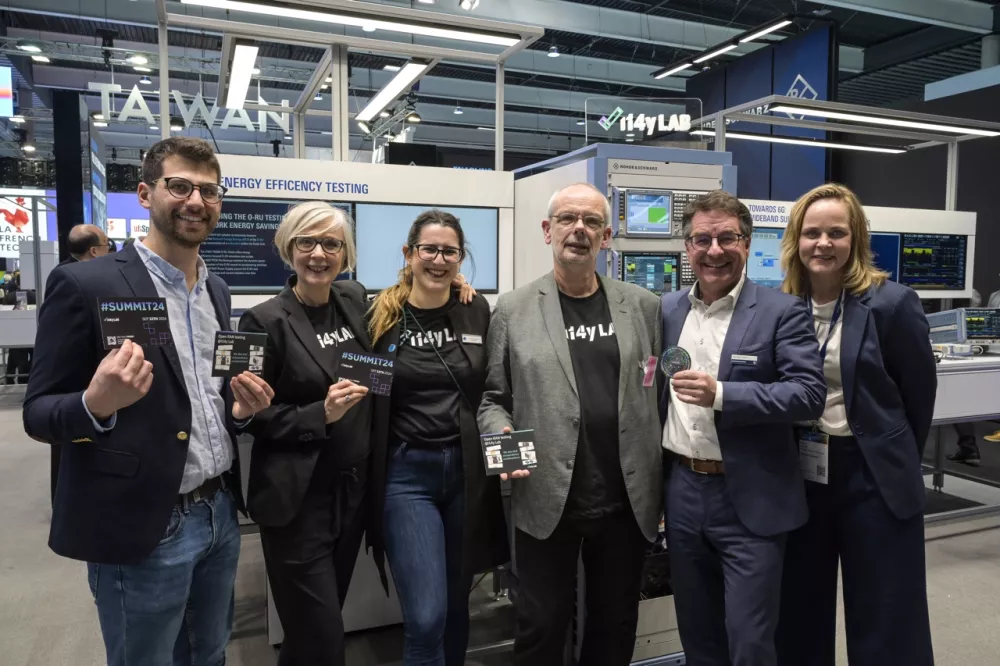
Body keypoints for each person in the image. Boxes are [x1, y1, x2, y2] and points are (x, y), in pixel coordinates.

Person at [23, 136, 275, 666]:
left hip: (218, 513)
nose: (195, 201)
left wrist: (240, 411)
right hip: (143, 524)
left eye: (209, 191)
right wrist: (97, 404)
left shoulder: (217, 290)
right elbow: (38, 413)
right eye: (179, 186)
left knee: (209, 654)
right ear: (145, 193)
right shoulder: (84, 284)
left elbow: (203, 400)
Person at [478, 182, 663, 666]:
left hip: (625, 499)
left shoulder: (643, 306)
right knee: (541, 625)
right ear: (547, 230)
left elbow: (658, 395)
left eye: (592, 221)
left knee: (615, 624)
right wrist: (501, 440)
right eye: (567, 219)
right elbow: (494, 400)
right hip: (546, 497)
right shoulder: (514, 309)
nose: (579, 229)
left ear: (606, 235)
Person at [659, 190, 825, 666]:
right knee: (697, 631)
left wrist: (724, 394)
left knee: (750, 638)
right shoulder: (669, 310)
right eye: (702, 239)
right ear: (687, 247)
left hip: (752, 496)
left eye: (727, 238)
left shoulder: (781, 310)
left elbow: (808, 395)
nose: (714, 251)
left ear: (747, 243)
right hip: (685, 489)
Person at [775, 183, 936, 666]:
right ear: (795, 241)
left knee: (887, 612)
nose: (823, 243)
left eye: (836, 233)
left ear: (856, 238)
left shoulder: (892, 303)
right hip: (803, 476)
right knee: (798, 609)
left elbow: (918, 399)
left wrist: (891, 455)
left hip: (874, 477)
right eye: (812, 233)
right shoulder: (782, 306)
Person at [367, 210, 508, 666]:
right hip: (407, 476)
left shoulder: (475, 309)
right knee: (427, 616)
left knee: (457, 606)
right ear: (409, 254)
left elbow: (492, 387)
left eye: (450, 251)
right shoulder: (379, 315)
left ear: (460, 258)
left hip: (467, 474)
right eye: (429, 249)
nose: (439, 259)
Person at [238, 201, 374, 666]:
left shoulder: (354, 299)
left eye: (331, 243)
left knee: (312, 625)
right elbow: (250, 415)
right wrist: (322, 414)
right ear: (288, 248)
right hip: (298, 502)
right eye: (307, 242)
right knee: (322, 636)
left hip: (350, 495)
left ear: (346, 252)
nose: (319, 254)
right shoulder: (262, 321)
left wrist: (456, 282)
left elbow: (413, 295)